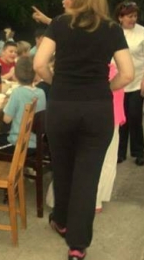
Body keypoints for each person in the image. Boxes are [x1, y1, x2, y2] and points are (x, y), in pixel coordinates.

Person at [34, 0, 134, 260]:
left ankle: (61, 221)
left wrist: (56, 82)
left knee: (63, 168)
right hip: (96, 110)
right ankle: (77, 246)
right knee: (87, 177)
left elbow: (39, 64)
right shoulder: (112, 29)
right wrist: (106, 87)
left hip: (62, 107)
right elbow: (128, 74)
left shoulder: (59, 24)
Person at [46, 63, 125, 213]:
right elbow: (127, 76)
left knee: (73, 160)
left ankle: (63, 200)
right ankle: (93, 200)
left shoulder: (79, 68)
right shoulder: (110, 70)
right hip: (106, 116)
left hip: (84, 113)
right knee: (103, 161)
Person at [115, 1, 144, 166]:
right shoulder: (114, 32)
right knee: (121, 119)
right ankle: (119, 152)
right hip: (118, 83)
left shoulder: (142, 31)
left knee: (134, 117)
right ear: (120, 18)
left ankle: (138, 152)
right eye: (129, 16)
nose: (133, 19)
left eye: (135, 16)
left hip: (137, 81)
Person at [0, 56, 46, 155]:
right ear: (35, 74)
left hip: (18, 144)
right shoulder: (41, 92)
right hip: (37, 143)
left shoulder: (17, 93)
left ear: (16, 75)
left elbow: (7, 119)